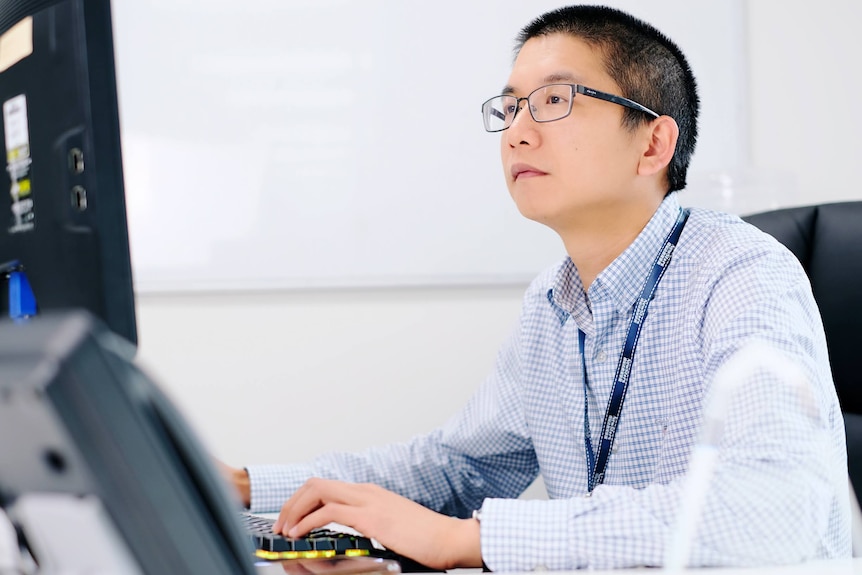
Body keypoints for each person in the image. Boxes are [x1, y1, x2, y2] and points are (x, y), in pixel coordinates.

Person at [222, 5, 850, 571]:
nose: (518, 131)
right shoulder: (552, 304)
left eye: (554, 101)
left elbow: (776, 509)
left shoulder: (741, 272)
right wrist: (245, 487)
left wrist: (466, 541)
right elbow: (455, 466)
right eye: (511, 107)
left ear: (654, 143)